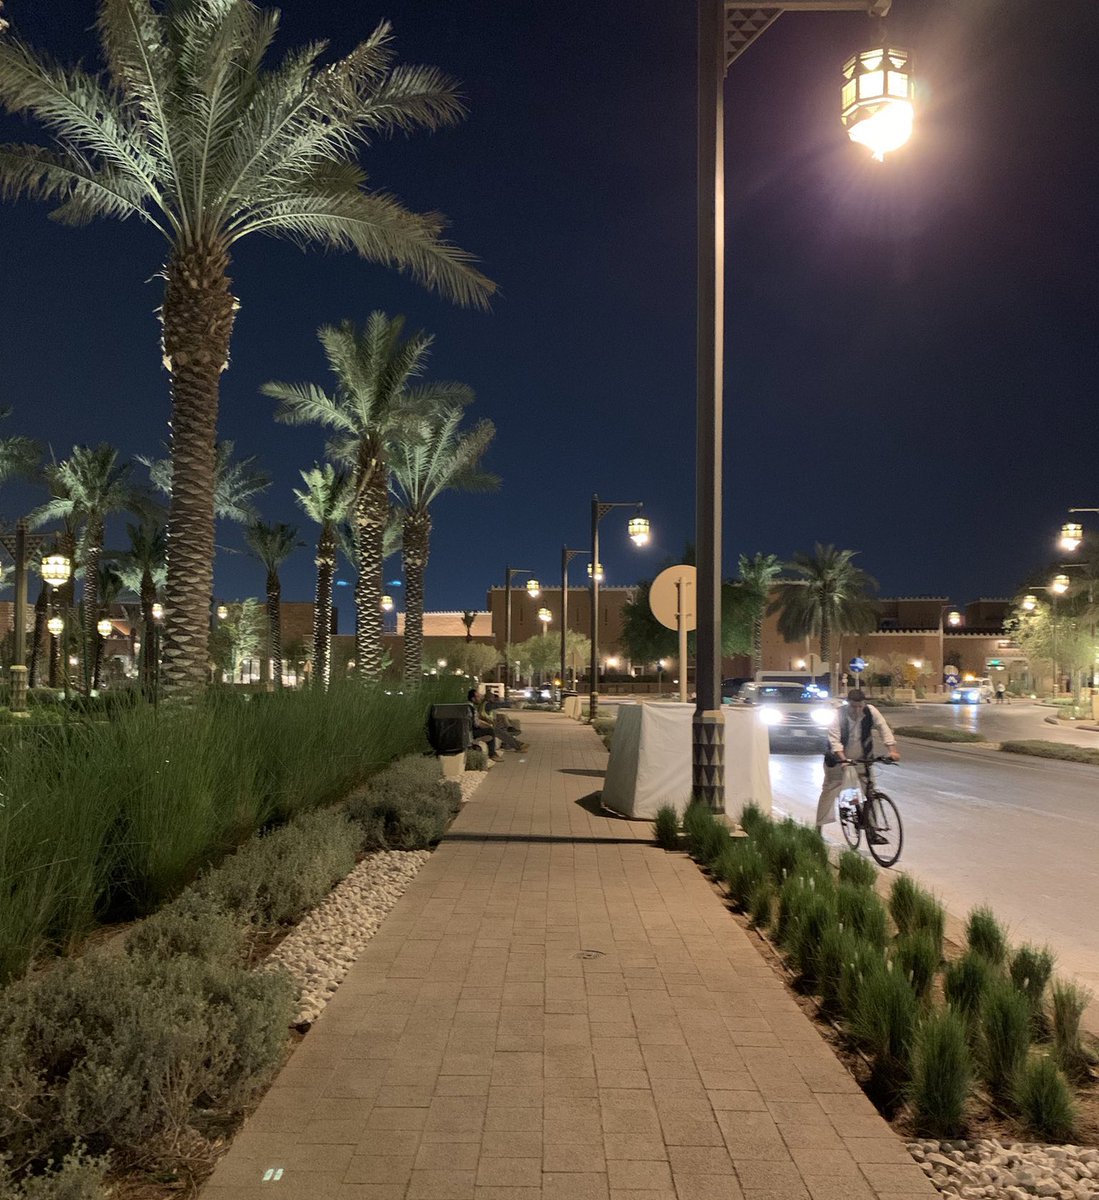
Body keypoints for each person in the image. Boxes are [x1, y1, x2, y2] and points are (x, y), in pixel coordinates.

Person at [816, 688, 900, 841]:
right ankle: (818, 829)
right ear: (848, 703)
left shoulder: (870, 711)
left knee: (871, 792)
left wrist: (892, 750)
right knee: (829, 791)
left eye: (860, 706)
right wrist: (844, 760)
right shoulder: (838, 714)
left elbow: (884, 729)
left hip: (862, 759)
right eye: (853, 706)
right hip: (838, 761)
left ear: (864, 704)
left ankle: (872, 830)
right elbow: (835, 741)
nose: (857, 710)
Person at [466, 687, 502, 760]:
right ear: (473, 699)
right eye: (478, 697)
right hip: (470, 732)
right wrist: (488, 726)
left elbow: (476, 720)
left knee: (490, 730)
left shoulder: (466, 706)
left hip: (466, 731)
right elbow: (476, 724)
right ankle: (492, 754)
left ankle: (482, 742)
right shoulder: (471, 708)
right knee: (490, 731)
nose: (480, 698)